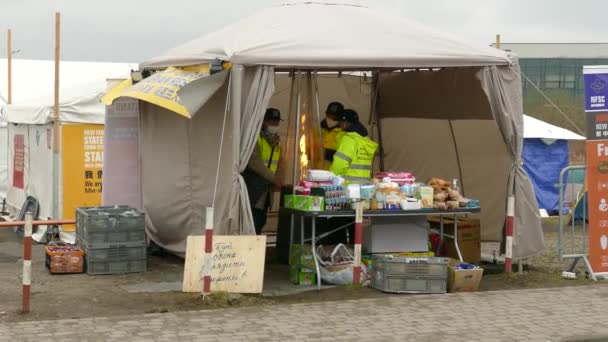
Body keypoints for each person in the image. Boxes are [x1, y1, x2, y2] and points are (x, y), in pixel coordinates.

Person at [244, 108, 282, 234]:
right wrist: (274, 178)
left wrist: (279, 180)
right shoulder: (255, 137)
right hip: (253, 189)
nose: (275, 125)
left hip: (266, 191)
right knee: (252, 223)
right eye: (271, 122)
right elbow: (254, 163)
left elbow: (280, 164)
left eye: (276, 122)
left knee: (260, 222)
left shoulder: (277, 142)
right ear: (263, 121)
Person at [329, 109, 378, 183]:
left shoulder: (349, 139)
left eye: (340, 122)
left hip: (348, 186)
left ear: (345, 123)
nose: (339, 125)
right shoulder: (365, 140)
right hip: (364, 185)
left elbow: (340, 164)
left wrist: (330, 178)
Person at [321, 102, 345, 169]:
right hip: (317, 171)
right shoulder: (318, 128)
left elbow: (345, 155)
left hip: (334, 172)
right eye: (329, 116)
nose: (330, 119)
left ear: (339, 118)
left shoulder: (343, 133)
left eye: (334, 117)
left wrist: (327, 153)